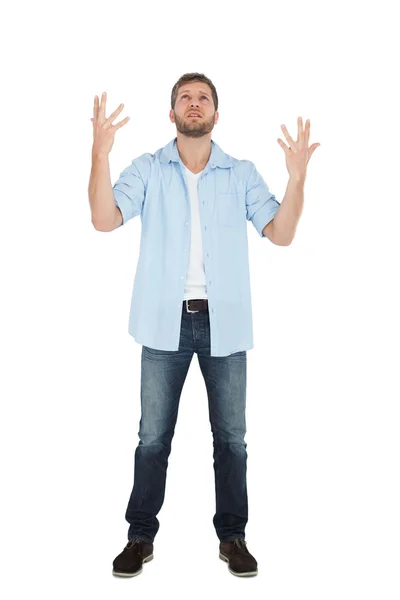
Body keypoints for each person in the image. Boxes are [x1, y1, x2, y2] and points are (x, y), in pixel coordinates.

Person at [88, 72, 319, 579]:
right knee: (153, 438)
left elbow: (280, 234)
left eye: (204, 98)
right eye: (185, 98)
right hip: (162, 324)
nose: (195, 104)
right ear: (172, 113)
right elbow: (104, 219)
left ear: (217, 113)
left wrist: (297, 179)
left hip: (225, 326)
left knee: (231, 439)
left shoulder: (240, 173)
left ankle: (232, 538)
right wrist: (99, 155)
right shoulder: (148, 169)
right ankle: (139, 537)